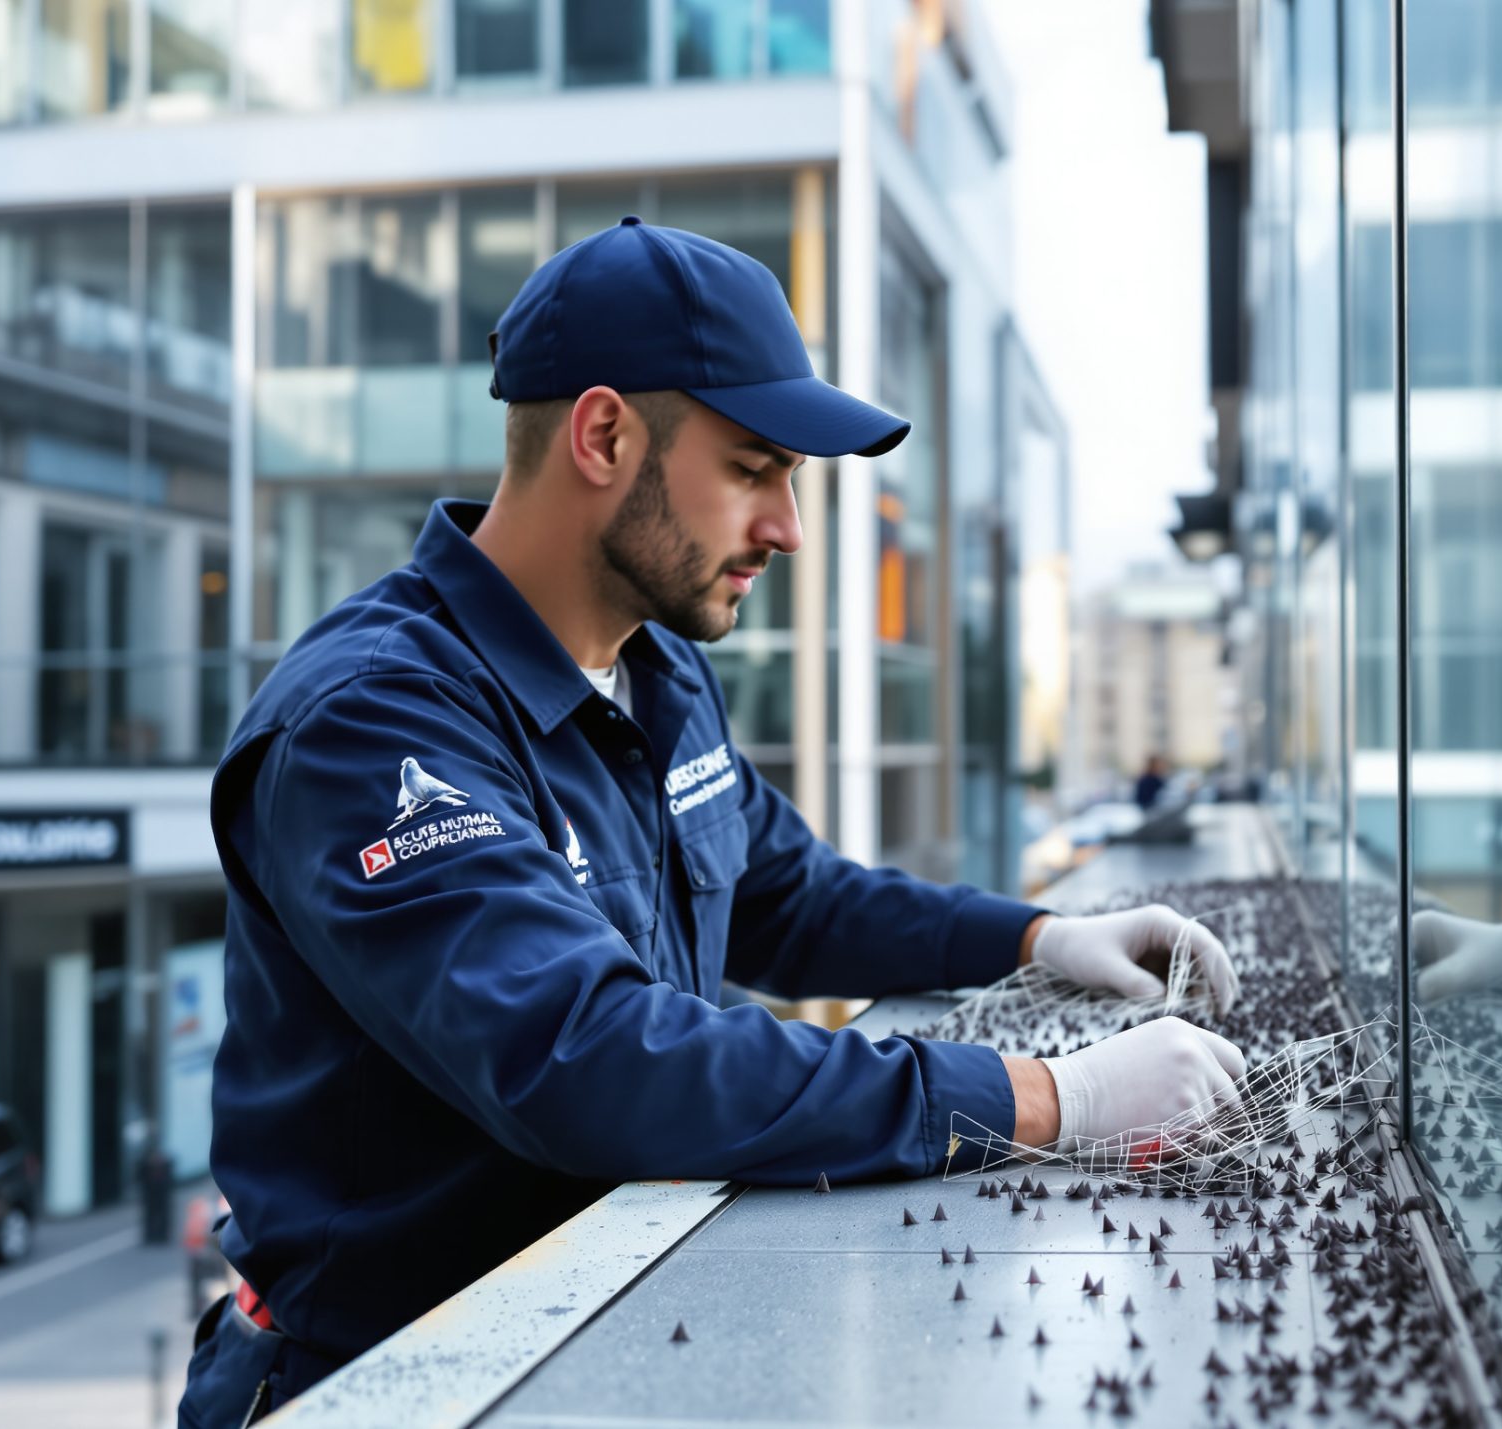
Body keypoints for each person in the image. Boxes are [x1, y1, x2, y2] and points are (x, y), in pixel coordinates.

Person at [178, 219, 1247, 1426]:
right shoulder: (374, 724)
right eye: (754, 469)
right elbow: (583, 1056)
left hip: (598, 1345)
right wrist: (1048, 1098)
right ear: (601, 436)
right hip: (389, 1380)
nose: (788, 527)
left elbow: (790, 896)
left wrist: (1041, 937)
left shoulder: (651, 669)